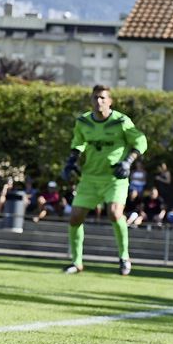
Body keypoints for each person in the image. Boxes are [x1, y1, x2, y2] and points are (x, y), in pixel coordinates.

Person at [61, 84, 147, 276]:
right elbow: (78, 142)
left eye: (102, 98)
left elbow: (141, 141)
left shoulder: (121, 121)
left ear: (110, 101)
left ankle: (124, 258)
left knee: (115, 214)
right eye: (95, 98)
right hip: (90, 178)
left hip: (114, 179)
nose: (99, 101)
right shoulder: (83, 121)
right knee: (75, 217)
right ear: (91, 100)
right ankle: (76, 262)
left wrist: (127, 162)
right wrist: (71, 161)